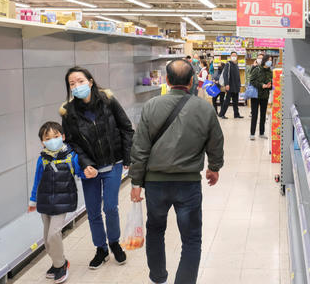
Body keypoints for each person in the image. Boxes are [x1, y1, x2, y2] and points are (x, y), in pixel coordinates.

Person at [129, 59, 224, 284]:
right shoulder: (204, 108)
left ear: (167, 81)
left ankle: (158, 277)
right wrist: (213, 167)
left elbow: (139, 147)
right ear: (192, 81)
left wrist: (135, 183)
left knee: (155, 230)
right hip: (188, 185)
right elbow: (216, 142)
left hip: (155, 185)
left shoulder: (151, 106)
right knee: (191, 239)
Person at [59, 67, 134, 270]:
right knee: (93, 211)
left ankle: (114, 243)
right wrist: (85, 164)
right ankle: (101, 249)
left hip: (113, 164)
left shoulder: (108, 101)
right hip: (89, 170)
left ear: (90, 82)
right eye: (72, 84)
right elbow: (70, 144)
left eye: (80, 81)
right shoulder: (68, 113)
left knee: (110, 207)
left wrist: (127, 156)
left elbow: (126, 127)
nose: (77, 86)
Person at [28, 121, 83, 283]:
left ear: (63, 137)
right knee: (47, 239)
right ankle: (58, 261)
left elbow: (80, 172)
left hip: (63, 200)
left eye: (56, 136)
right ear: (42, 142)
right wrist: (33, 200)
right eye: (48, 138)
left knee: (54, 234)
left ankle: (60, 266)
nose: (52, 140)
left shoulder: (71, 156)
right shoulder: (42, 159)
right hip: (45, 201)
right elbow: (37, 181)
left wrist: (89, 172)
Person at [249, 55, 274, 140]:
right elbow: (251, 81)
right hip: (255, 95)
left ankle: (261, 133)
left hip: (265, 96)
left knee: (263, 115)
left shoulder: (270, 72)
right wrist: (261, 85)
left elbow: (271, 84)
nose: (270, 62)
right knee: (255, 115)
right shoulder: (257, 69)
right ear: (264, 60)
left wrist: (270, 86)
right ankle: (252, 134)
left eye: (271, 60)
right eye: (268, 60)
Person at [217, 51, 243, 119]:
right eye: (233, 55)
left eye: (235, 55)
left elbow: (238, 76)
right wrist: (227, 84)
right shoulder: (228, 64)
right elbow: (225, 75)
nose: (234, 57)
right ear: (230, 56)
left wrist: (239, 85)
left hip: (236, 86)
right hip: (230, 85)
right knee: (227, 101)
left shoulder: (236, 64)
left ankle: (236, 114)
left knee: (235, 101)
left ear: (237, 57)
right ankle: (221, 114)